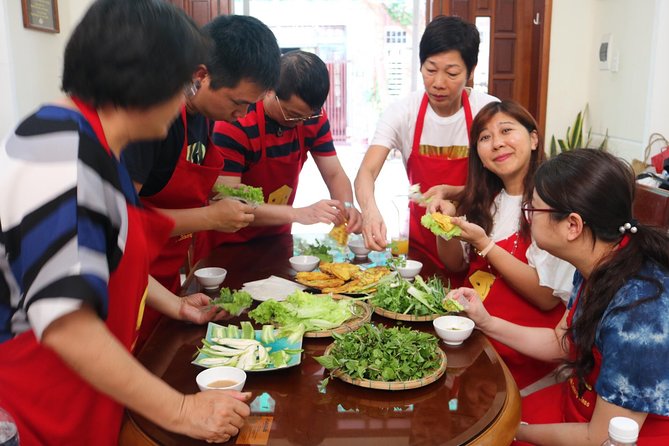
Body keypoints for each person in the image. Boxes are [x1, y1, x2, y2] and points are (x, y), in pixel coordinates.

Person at [0, 1, 249, 444]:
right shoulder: (58, 153)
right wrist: (182, 410)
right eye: (184, 84)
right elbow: (66, 324)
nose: (185, 99)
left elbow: (106, 258)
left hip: (87, 403)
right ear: (147, 80)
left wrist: (176, 305)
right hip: (40, 415)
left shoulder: (94, 146)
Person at [451, 149, 669, 445]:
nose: (526, 215)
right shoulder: (600, 258)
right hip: (579, 407)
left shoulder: (639, 313)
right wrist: (485, 322)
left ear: (573, 225)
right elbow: (564, 342)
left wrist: (515, 430)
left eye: (533, 209)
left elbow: (599, 438)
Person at [121, 14, 281, 294]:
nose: (242, 115)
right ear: (201, 75)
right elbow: (120, 221)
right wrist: (211, 217)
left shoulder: (203, 113)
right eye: (238, 103)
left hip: (163, 278)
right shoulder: (151, 118)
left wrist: (223, 193)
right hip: (125, 278)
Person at [430, 101, 574, 391]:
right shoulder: (488, 200)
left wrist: (484, 243)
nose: (496, 143)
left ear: (534, 140)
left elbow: (546, 296)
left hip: (528, 367)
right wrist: (442, 226)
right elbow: (457, 265)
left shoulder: (553, 206)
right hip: (479, 350)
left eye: (506, 130)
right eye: (484, 137)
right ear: (479, 156)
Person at [355, 15, 498, 271]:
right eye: (430, 70)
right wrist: (370, 211)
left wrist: (453, 193)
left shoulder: (487, 111)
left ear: (471, 71)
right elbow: (366, 172)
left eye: (452, 73)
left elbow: (503, 182)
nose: (438, 83)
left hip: (480, 238)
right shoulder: (402, 113)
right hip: (422, 244)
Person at [201, 50, 361, 248]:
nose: (300, 123)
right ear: (270, 91)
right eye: (293, 114)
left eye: (307, 116)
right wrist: (300, 213)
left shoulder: (312, 118)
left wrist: (347, 207)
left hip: (277, 237)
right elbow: (232, 202)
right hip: (226, 242)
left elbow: (335, 174)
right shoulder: (236, 122)